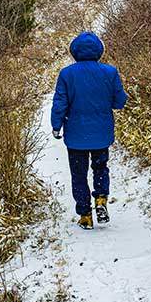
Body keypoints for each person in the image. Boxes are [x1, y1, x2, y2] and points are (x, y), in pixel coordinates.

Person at [51, 31, 128, 229]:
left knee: (78, 174)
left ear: (74, 51)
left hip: (76, 135)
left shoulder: (67, 74)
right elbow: (120, 102)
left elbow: (60, 102)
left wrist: (56, 125)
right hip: (101, 134)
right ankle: (101, 199)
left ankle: (85, 214)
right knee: (100, 168)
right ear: (99, 50)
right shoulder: (110, 72)